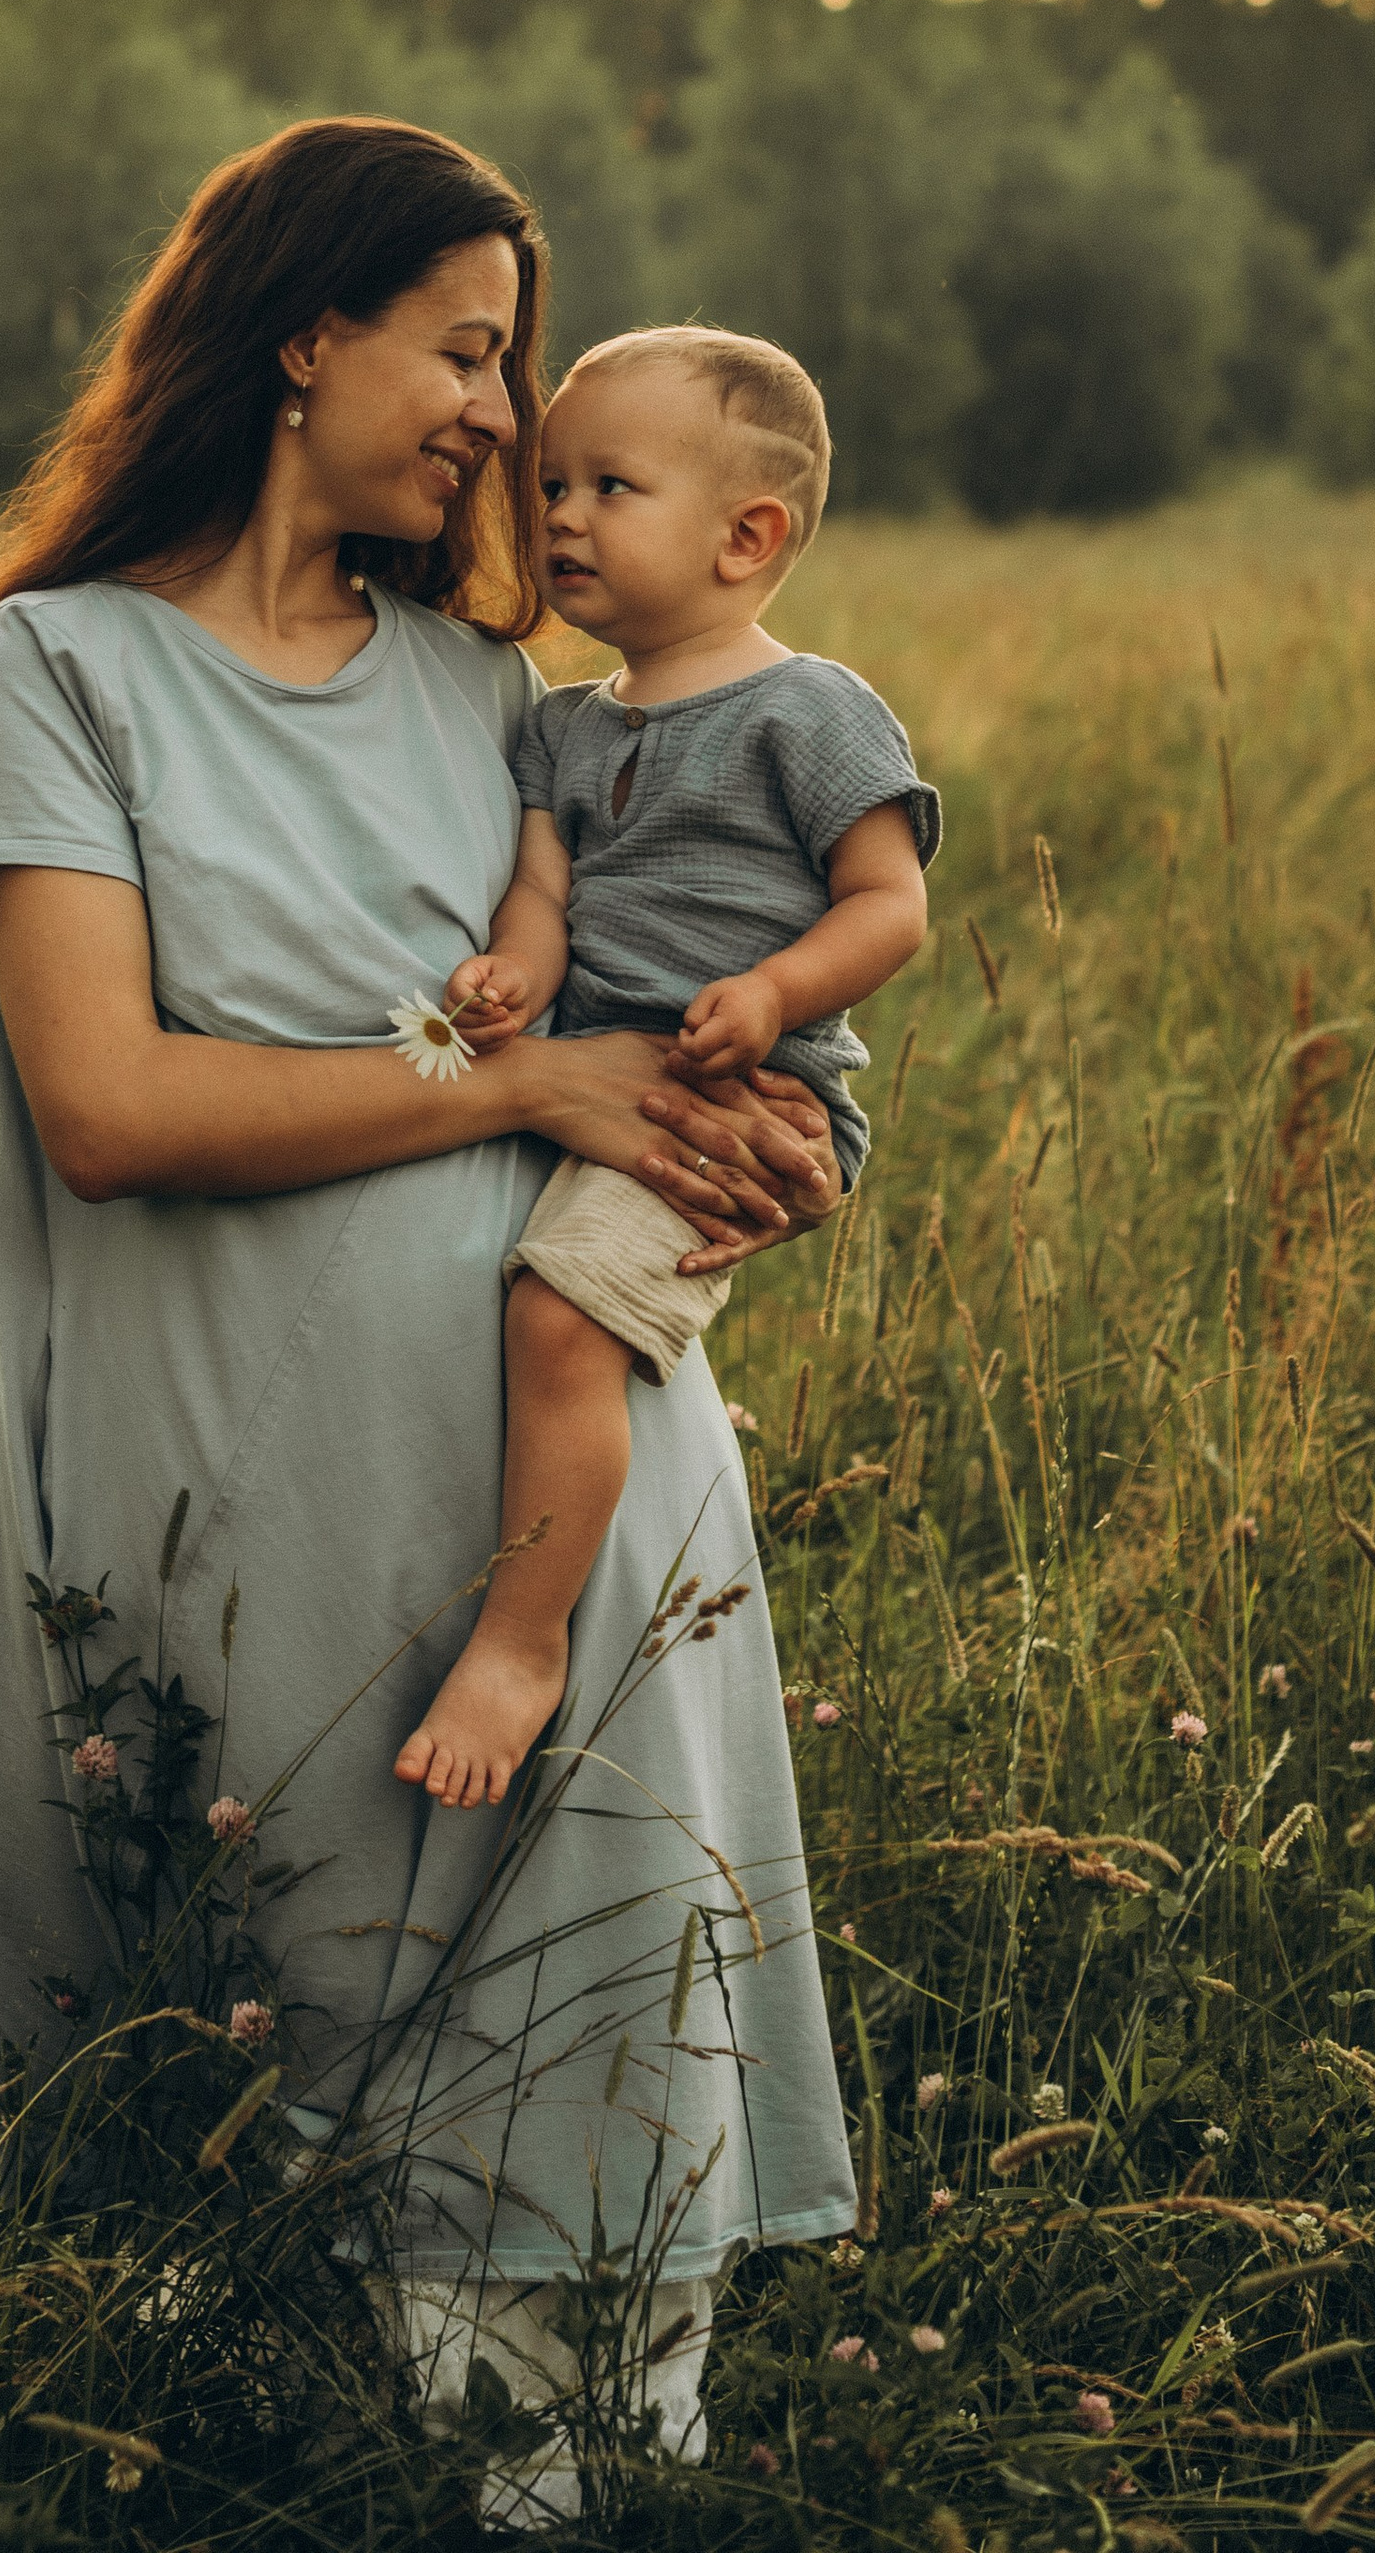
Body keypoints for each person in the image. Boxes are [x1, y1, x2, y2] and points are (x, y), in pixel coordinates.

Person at [0, 119, 860, 2511]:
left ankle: (570, 2486)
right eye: (456, 347)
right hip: (255, 1483)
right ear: (296, 330)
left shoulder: (486, 695)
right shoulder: (59, 668)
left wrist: (726, 1130)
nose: (492, 417)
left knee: (573, 2047)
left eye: (510, 365)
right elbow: (111, 1104)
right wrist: (525, 1075)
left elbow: (465, 1039)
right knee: (277, 2029)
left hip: (564, 1514)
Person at [396, 325, 939, 1811]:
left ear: (744, 536)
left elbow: (891, 904)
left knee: (559, 1326)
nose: (558, 512)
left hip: (736, 1093)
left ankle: (522, 1643)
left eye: (609, 486)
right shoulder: (563, 725)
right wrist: (514, 969)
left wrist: (771, 995)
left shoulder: (808, 709)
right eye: (552, 482)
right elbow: (547, 894)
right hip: (592, 1070)